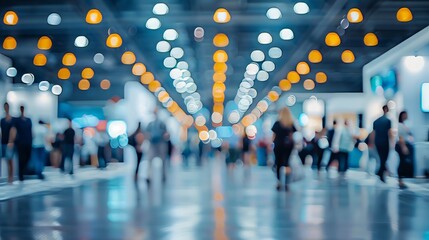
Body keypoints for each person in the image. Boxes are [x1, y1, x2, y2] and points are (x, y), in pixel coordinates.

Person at [271, 107, 296, 191]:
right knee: (287, 163)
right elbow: (292, 136)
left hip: (278, 146)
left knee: (278, 163)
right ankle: (287, 183)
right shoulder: (291, 123)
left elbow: (273, 136)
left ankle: (279, 182)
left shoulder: (277, 123)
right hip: (288, 146)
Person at [10, 105, 34, 181]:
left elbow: (31, 130)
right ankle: (21, 175)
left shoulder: (28, 120)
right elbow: (13, 130)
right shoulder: (17, 120)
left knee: (28, 157)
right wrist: (11, 141)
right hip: (20, 143)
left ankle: (24, 171)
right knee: (21, 159)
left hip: (28, 142)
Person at [371, 105, 393, 183]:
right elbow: (390, 132)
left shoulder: (376, 121)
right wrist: (392, 142)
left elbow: (373, 133)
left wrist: (372, 143)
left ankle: (380, 172)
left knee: (381, 158)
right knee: (384, 158)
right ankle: (379, 172)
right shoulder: (388, 121)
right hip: (385, 142)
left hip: (377, 142)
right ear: (387, 109)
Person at [146, 108, 168, 184]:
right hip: (152, 143)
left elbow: (166, 133)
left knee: (163, 160)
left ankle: (163, 175)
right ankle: (149, 176)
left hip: (160, 143)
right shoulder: (150, 124)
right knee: (149, 160)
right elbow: (147, 133)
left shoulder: (162, 123)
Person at [395, 111, 414, 189]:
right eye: (405, 115)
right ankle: (400, 181)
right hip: (401, 145)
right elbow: (401, 137)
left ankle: (401, 180)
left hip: (405, 144)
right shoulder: (400, 125)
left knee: (403, 163)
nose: (406, 116)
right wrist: (403, 147)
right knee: (402, 163)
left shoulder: (404, 125)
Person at [1, 102, 15, 183]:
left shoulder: (12, 119)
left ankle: (11, 177)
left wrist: (11, 141)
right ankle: (9, 176)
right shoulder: (2, 120)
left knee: (10, 159)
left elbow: (13, 130)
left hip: (9, 143)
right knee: (6, 159)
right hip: (3, 142)